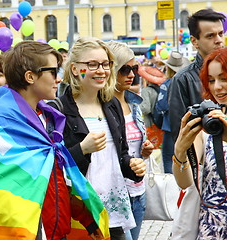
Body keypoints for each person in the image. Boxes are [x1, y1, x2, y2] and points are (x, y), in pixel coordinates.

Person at [0, 41, 109, 240]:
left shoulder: (46, 118)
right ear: (30, 77)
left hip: (54, 232)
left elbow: (52, 181)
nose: (58, 79)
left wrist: (85, 216)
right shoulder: (3, 124)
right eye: (52, 72)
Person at [55, 37, 146, 239]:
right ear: (75, 69)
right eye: (92, 64)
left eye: (106, 64)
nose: (101, 70)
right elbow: (54, 167)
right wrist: (82, 149)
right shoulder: (59, 110)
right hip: (82, 213)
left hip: (115, 211)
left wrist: (134, 166)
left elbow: (120, 156)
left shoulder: (112, 105)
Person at [173, 47, 227, 239]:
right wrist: (180, 151)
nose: (217, 87)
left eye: (223, 78)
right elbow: (185, 182)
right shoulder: (209, 125)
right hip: (211, 229)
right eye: (211, 80)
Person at [106, 40, 153, 240]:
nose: (132, 75)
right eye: (125, 69)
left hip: (138, 191)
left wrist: (145, 151)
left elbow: (135, 146)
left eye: (134, 68)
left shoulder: (134, 104)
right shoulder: (102, 106)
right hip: (116, 194)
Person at [168, 9, 225, 141]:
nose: (218, 40)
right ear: (194, 41)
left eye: (221, 34)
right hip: (205, 157)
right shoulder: (183, 79)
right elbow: (180, 133)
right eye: (210, 36)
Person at [159, 52, 190, 173]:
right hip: (187, 124)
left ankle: (172, 184)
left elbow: (161, 105)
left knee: (168, 157)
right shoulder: (186, 81)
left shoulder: (166, 85)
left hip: (169, 126)